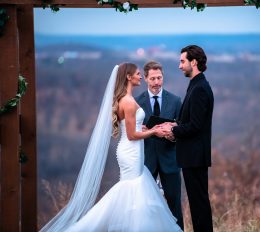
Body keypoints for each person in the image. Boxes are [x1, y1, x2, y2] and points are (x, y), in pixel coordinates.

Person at [40, 63, 182, 232]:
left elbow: (133, 128)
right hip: (133, 152)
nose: (139, 77)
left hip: (143, 154)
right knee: (132, 193)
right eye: (139, 74)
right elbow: (131, 135)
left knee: (134, 194)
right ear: (130, 77)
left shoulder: (134, 100)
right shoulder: (130, 102)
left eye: (159, 77)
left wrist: (149, 129)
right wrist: (153, 132)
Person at [163, 45, 214, 232]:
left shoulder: (200, 88)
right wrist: (171, 126)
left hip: (195, 156)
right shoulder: (195, 84)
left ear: (194, 62)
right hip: (191, 156)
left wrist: (174, 130)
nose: (179, 66)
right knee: (196, 203)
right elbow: (189, 120)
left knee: (199, 204)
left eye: (182, 61)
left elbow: (196, 125)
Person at [135, 60, 184, 230]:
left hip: (170, 159)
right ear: (146, 79)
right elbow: (131, 131)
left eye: (160, 78)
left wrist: (173, 132)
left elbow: (183, 129)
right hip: (146, 160)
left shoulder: (176, 101)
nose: (157, 82)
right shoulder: (136, 102)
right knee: (145, 205)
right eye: (153, 79)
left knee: (174, 203)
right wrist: (139, 128)